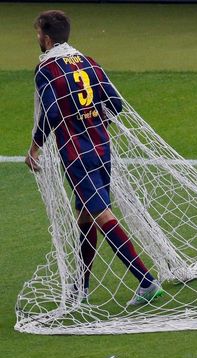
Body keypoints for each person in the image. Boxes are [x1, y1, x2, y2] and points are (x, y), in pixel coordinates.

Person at [25, 10, 163, 306]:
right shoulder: (88, 62)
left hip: (77, 153)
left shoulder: (47, 70)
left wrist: (35, 148)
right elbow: (114, 103)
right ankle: (82, 287)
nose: (37, 38)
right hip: (102, 146)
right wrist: (94, 122)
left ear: (46, 39)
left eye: (38, 34)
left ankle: (146, 281)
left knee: (101, 215)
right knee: (85, 214)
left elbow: (51, 112)